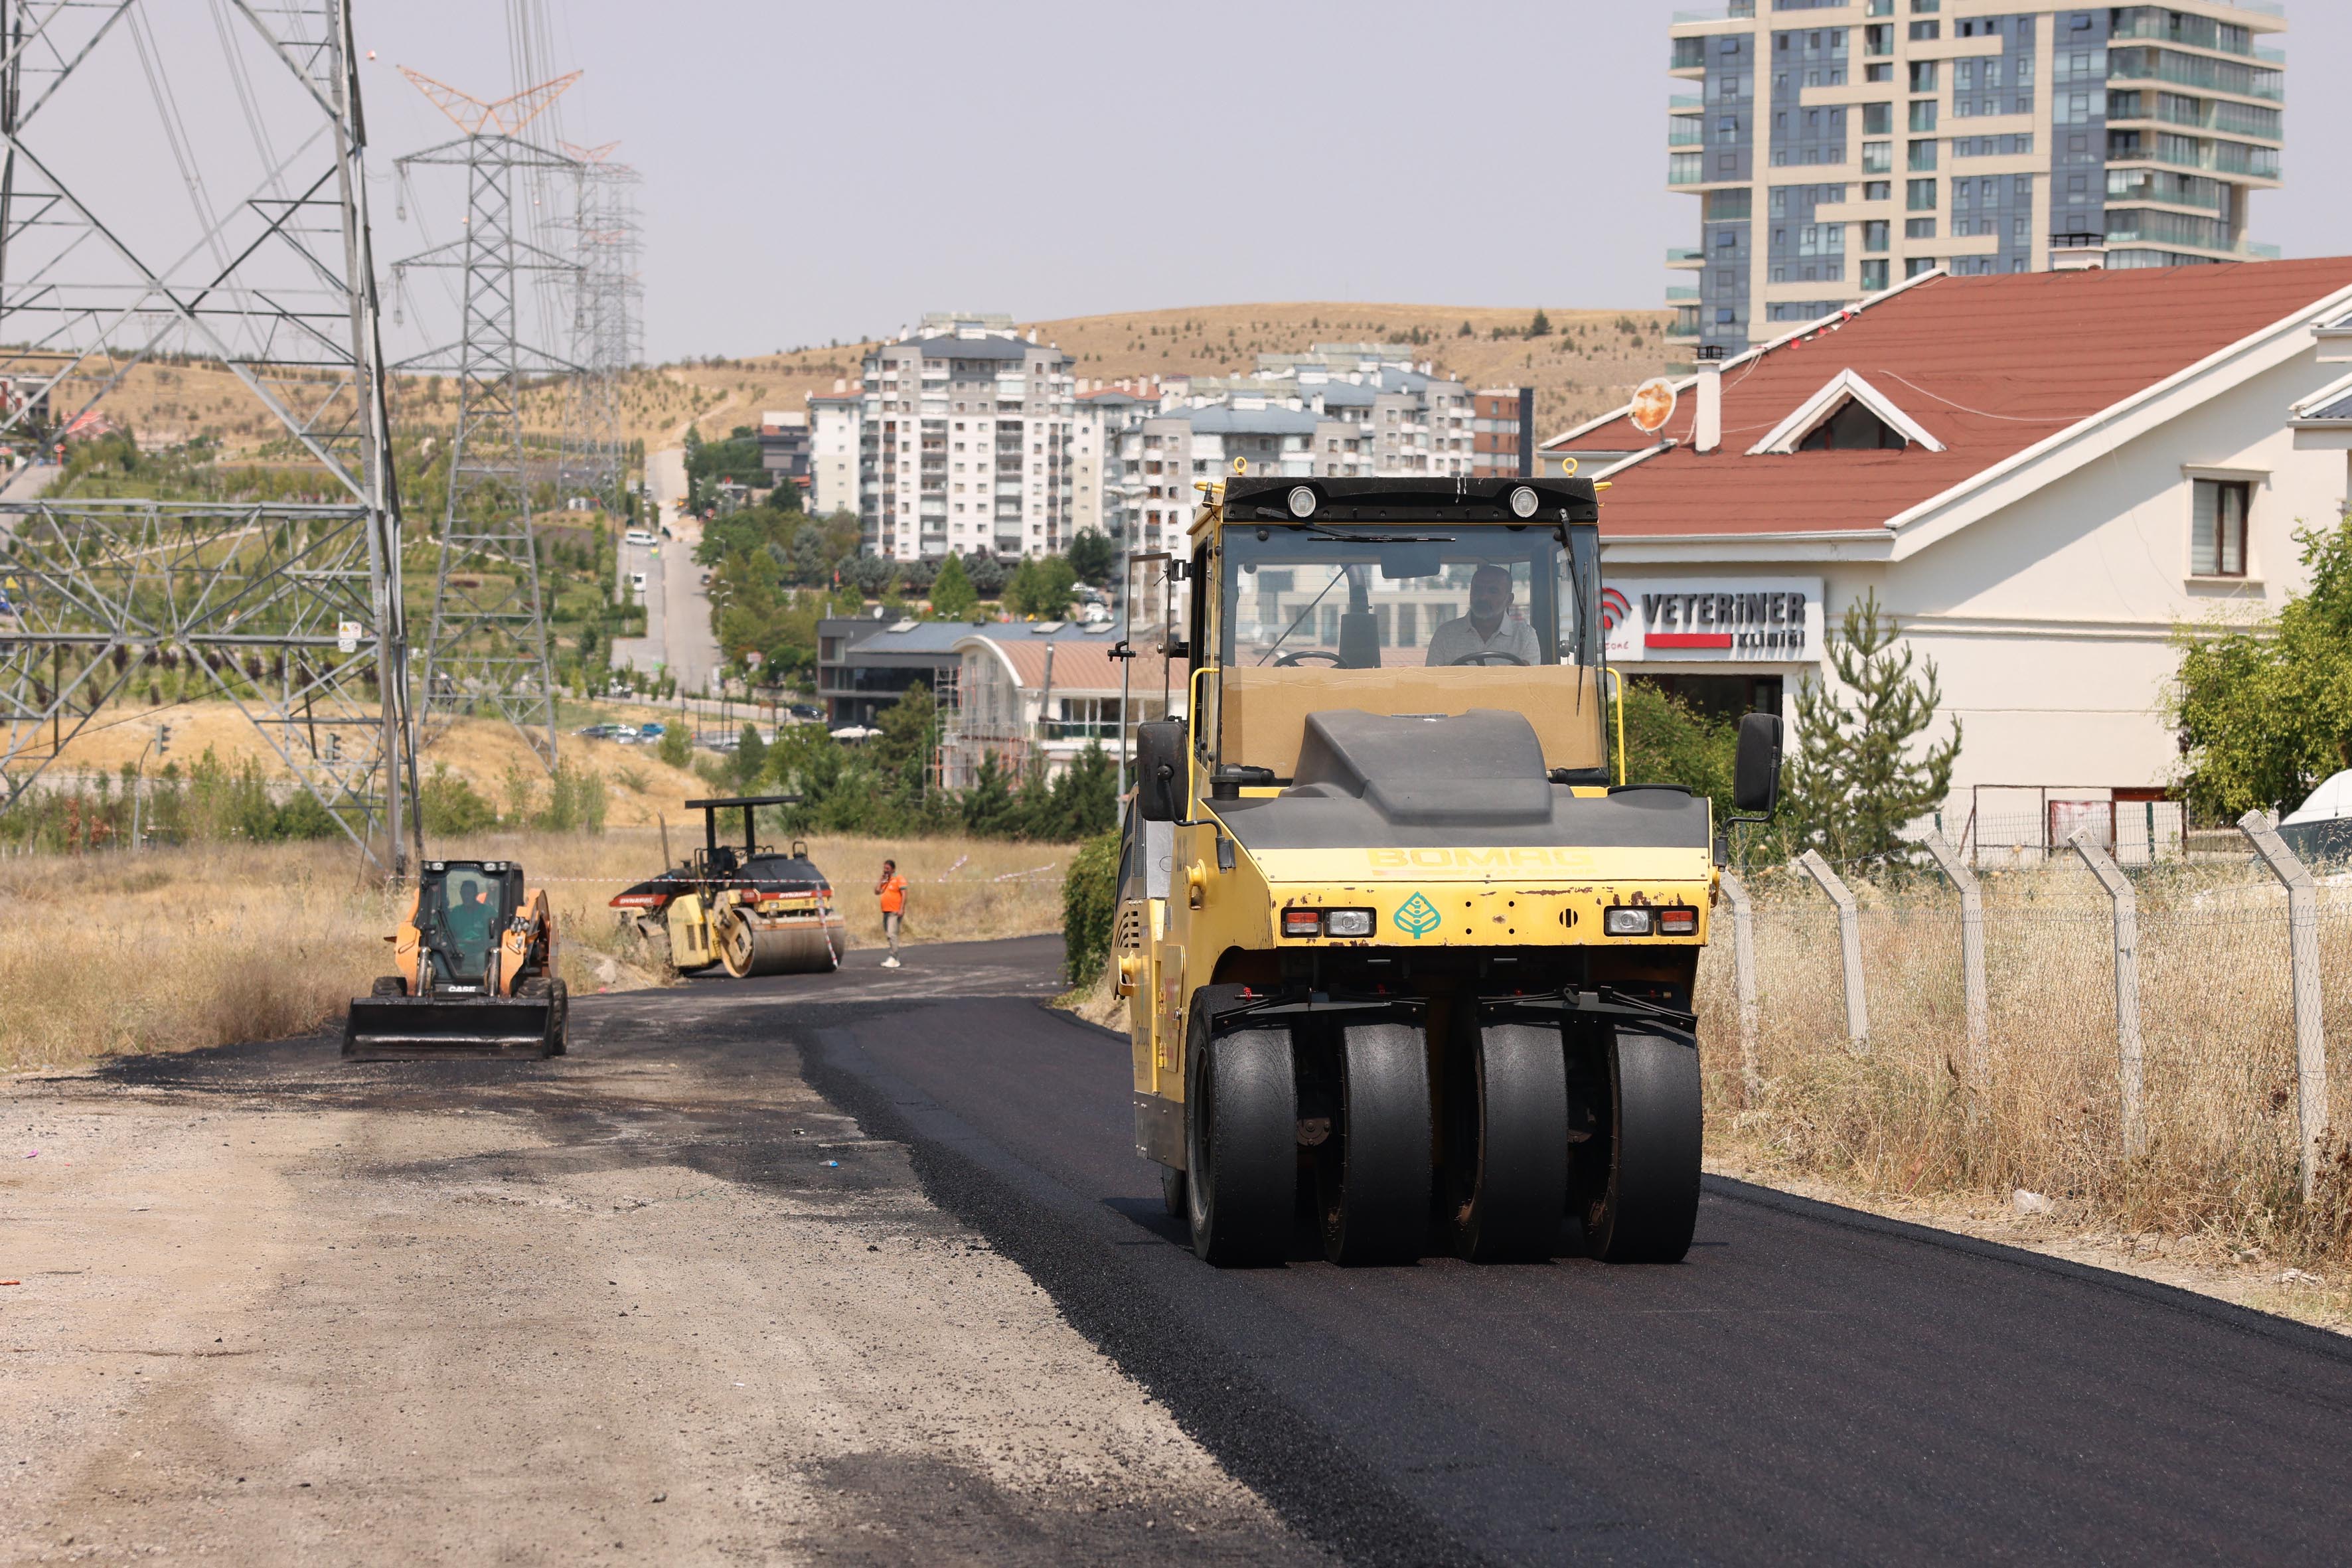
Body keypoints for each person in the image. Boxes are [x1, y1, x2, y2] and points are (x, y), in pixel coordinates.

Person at [1424, 564, 1541, 666]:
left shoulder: (1525, 636)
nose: (1483, 597)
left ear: (1509, 600)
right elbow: (1431, 685)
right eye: (1478, 589)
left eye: (1493, 591)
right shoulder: (1445, 634)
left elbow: (1530, 686)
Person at [875, 859, 907, 968]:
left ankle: (894, 957)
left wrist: (901, 908)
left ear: (893, 869)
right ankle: (893, 956)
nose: (885, 871)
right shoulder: (886, 881)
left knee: (891, 934)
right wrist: (881, 880)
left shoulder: (899, 879)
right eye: (884, 868)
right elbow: (877, 892)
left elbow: (904, 894)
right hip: (886, 911)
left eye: (888, 869)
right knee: (889, 934)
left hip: (895, 911)